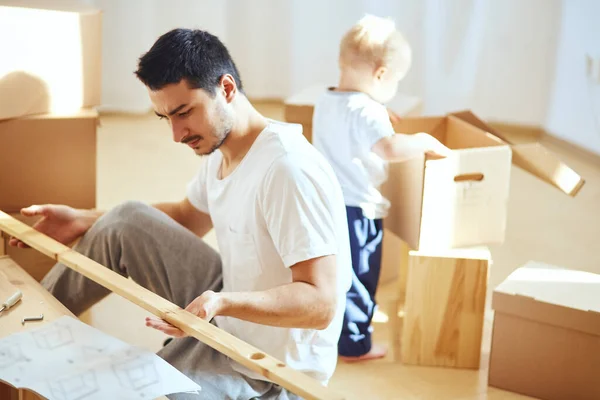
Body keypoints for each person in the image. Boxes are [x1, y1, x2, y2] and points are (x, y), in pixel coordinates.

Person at [9, 28, 352, 399]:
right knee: (126, 218)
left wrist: (224, 303)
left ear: (227, 89)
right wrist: (88, 218)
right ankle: (18, 335)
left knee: (154, 392)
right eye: (164, 117)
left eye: (184, 112)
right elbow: (187, 217)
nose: (176, 134)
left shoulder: (286, 169)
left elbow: (320, 304)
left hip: (273, 366)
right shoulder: (224, 148)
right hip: (228, 303)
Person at [312, 15, 450, 362]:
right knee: (360, 276)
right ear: (381, 75)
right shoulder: (368, 112)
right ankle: (356, 345)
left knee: (332, 272)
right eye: (396, 81)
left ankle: (326, 330)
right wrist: (420, 140)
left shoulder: (326, 100)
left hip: (326, 203)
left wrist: (378, 112)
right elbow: (389, 148)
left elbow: (352, 119)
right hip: (358, 209)